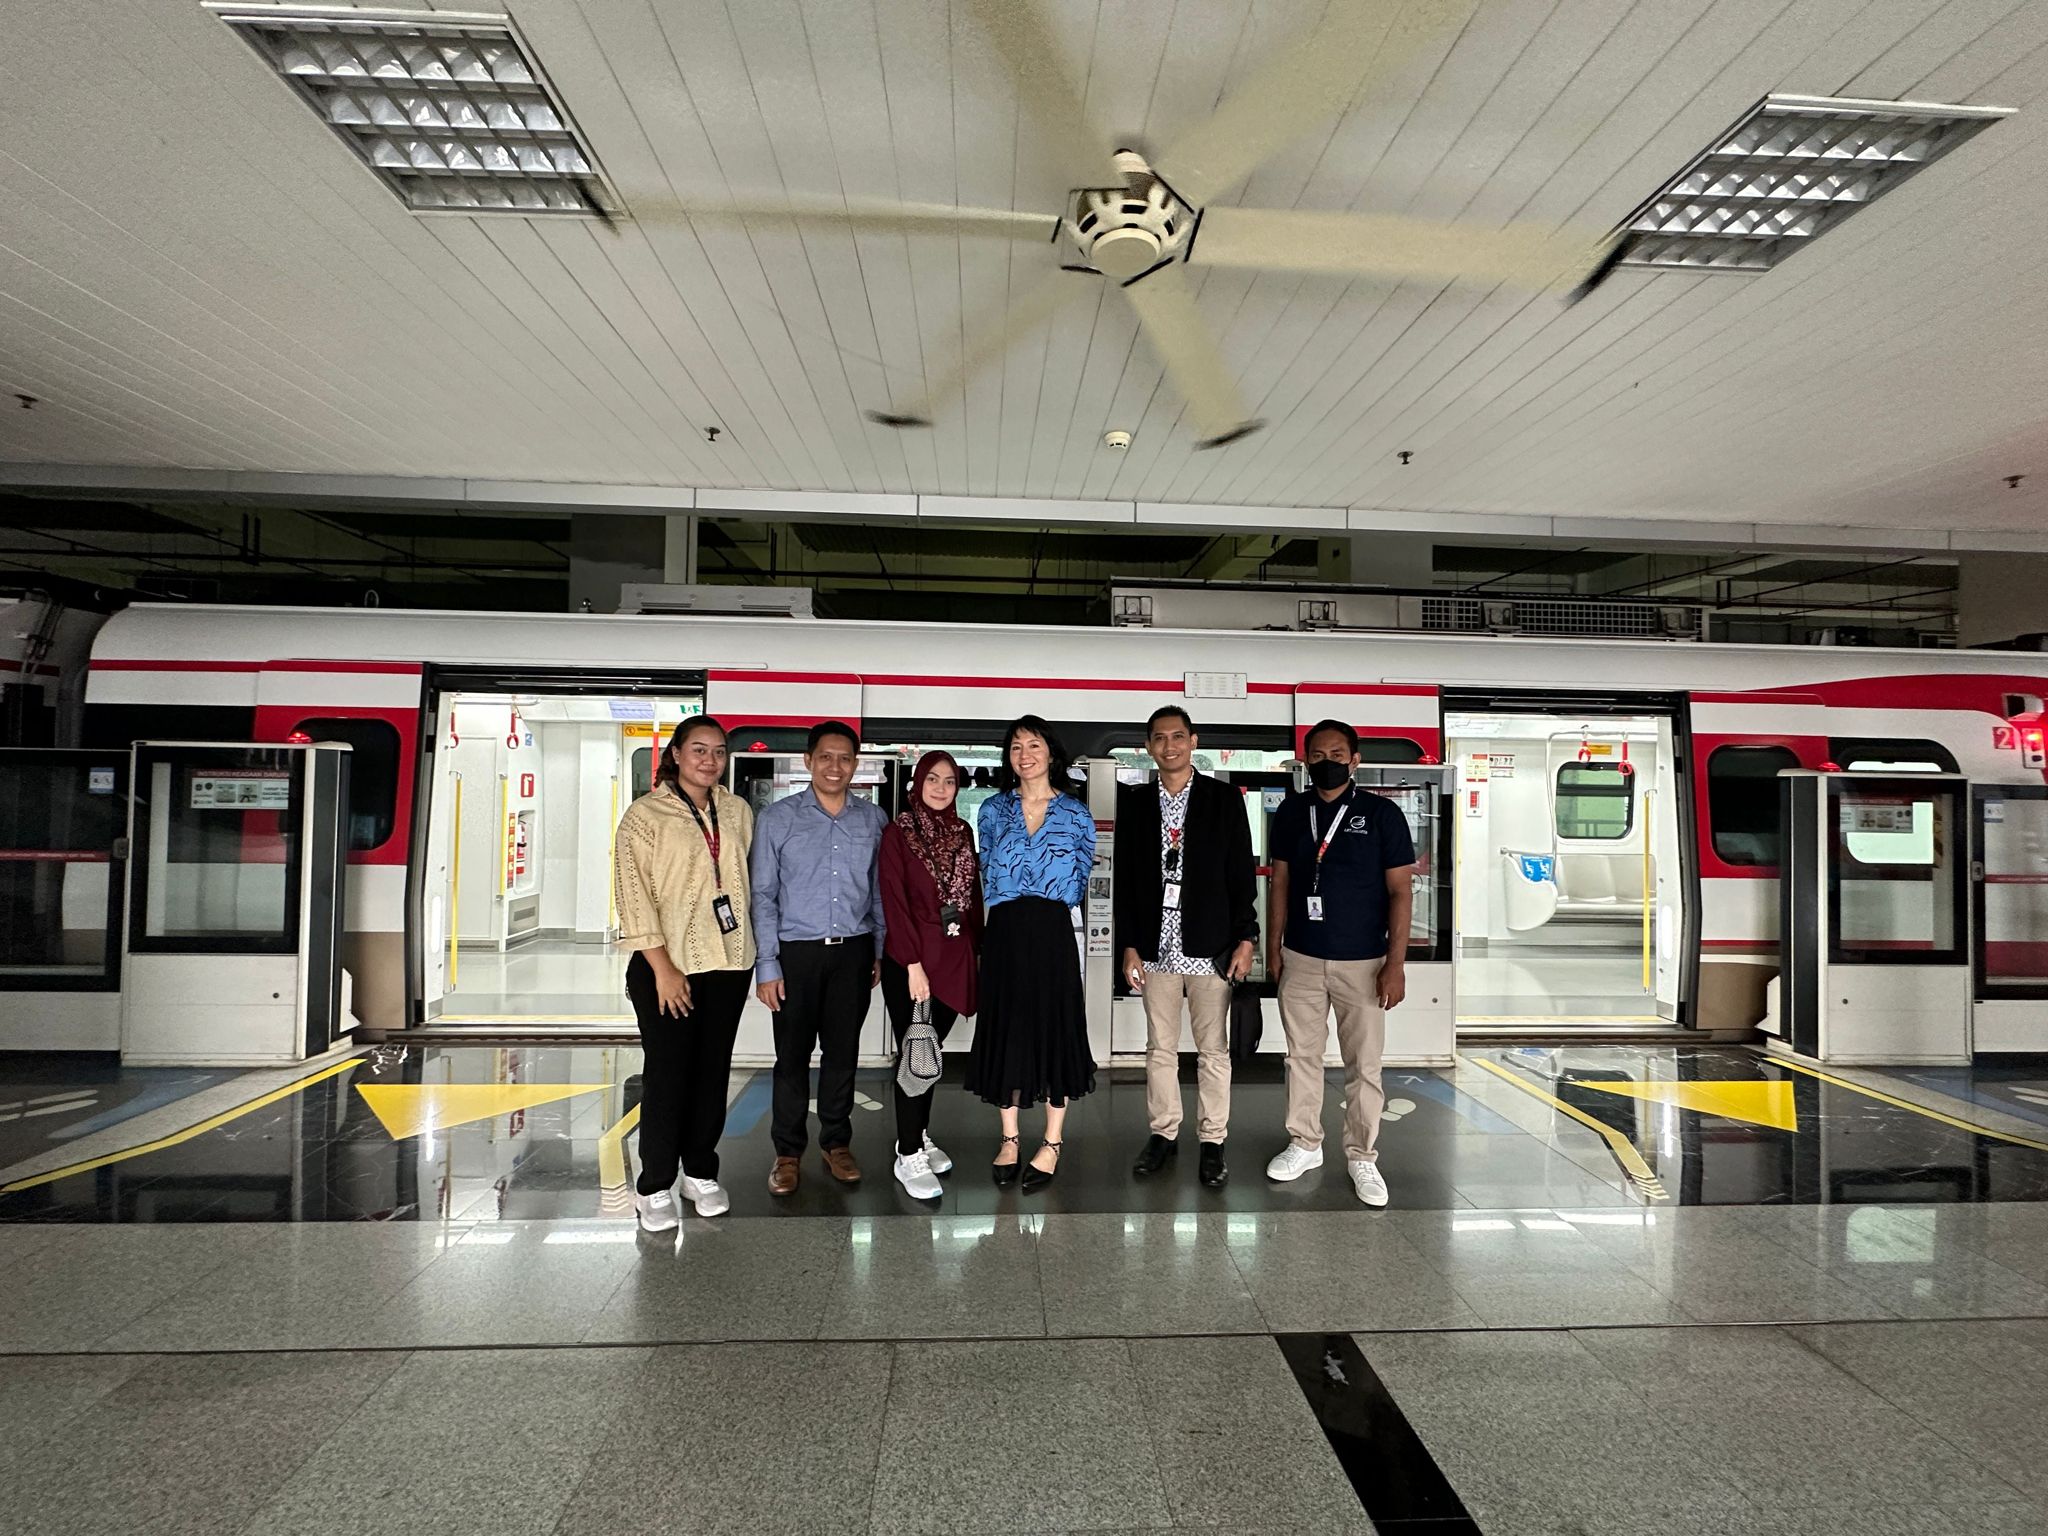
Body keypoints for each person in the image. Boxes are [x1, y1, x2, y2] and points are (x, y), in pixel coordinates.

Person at [1264, 718, 1416, 1207]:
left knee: (1363, 1065)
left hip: (1365, 962)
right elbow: (1281, 883)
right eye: (1317, 756)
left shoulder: (1382, 814)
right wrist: (1274, 947)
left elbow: (1401, 891)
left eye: (1336, 755)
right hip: (1302, 958)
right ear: (1305, 761)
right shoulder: (1292, 811)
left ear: (1354, 761)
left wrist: (1396, 964)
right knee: (1301, 1058)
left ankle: (1362, 1155)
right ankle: (1305, 1143)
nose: (1326, 763)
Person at [613, 716, 754, 1230]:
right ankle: (654, 1185)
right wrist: (664, 970)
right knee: (668, 1075)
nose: (710, 760)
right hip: (667, 968)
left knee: (713, 1073)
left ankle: (699, 1171)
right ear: (675, 754)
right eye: (699, 749)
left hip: (730, 963)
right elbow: (632, 898)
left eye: (718, 751)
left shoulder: (737, 811)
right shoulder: (644, 816)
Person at [1119, 706, 1257, 1188]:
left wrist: (1246, 937)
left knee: (1212, 1050)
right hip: (1156, 947)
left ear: (1193, 741)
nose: (1170, 746)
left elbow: (1241, 873)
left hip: (1210, 945)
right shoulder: (1136, 803)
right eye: (1159, 738)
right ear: (1149, 747)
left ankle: (1213, 1141)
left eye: (1178, 736)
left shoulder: (1223, 799)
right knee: (1160, 1047)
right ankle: (1163, 1133)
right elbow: (1127, 880)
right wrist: (1129, 945)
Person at [750, 720, 888, 1196]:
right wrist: (767, 964)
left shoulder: (872, 820)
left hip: (853, 952)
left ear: (855, 764)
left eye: (845, 758)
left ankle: (836, 1144)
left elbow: (878, 892)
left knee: (842, 1055)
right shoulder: (778, 819)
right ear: (808, 761)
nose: (835, 766)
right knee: (791, 1057)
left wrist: (878, 949)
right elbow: (762, 895)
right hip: (796, 956)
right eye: (825, 757)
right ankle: (787, 1153)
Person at [964, 715, 1096, 1192]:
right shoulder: (992, 810)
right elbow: (986, 869)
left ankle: (1052, 1141)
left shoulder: (1076, 814)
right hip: (1004, 930)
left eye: (1034, 745)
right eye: (1016, 746)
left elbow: (1079, 879)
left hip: (1052, 931)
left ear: (1051, 753)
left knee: (1055, 1026)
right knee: (1007, 1026)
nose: (1025, 754)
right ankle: (1010, 1137)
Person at [878, 750, 982, 1200]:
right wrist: (912, 965)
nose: (941, 788)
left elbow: (972, 900)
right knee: (914, 1055)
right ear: (917, 783)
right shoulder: (898, 833)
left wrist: (978, 954)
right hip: (914, 962)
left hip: (954, 959)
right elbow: (894, 901)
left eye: (950, 781)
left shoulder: (962, 832)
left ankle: (917, 1134)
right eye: (933, 779)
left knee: (929, 1054)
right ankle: (907, 1153)